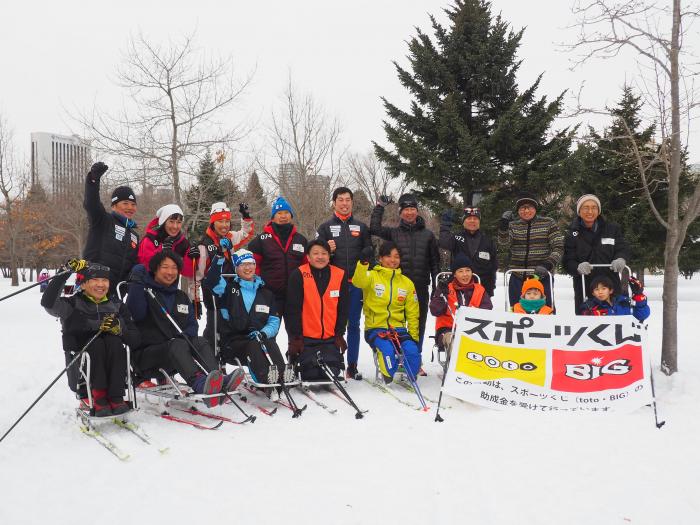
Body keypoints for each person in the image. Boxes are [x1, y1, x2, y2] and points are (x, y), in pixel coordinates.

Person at [126, 251, 242, 407]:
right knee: (177, 344)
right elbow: (135, 313)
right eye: (165, 267)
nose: (170, 272)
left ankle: (216, 379)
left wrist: (183, 336)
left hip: (176, 355)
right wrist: (137, 283)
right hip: (148, 357)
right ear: (155, 269)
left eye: (174, 268)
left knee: (199, 341)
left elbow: (192, 325)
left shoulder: (181, 296)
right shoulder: (146, 292)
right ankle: (199, 383)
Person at [41, 260, 140, 417]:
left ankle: (116, 397)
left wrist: (119, 329)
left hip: (114, 362)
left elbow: (135, 339)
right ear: (84, 284)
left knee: (114, 341)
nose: (100, 284)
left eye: (105, 280)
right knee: (96, 344)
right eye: (94, 280)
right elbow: (48, 303)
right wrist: (65, 272)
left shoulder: (117, 306)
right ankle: (99, 396)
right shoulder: (73, 304)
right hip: (82, 367)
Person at [370, 193, 439, 364]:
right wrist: (380, 206)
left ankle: (415, 359)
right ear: (400, 212)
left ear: (417, 211)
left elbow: (435, 263)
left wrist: (436, 289)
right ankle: (396, 356)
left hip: (420, 287)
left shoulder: (428, 235)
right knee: (397, 325)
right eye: (406, 209)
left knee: (418, 324)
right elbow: (374, 228)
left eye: (412, 209)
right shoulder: (394, 233)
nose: (409, 212)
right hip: (397, 288)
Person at [204, 248, 287, 384]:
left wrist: (264, 333)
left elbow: (274, 320)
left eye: (251, 264)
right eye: (243, 265)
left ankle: (283, 376)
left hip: (260, 338)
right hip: (234, 343)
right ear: (236, 268)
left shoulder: (266, 293)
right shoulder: (227, 289)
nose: (248, 268)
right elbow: (211, 281)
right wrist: (219, 257)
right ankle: (265, 379)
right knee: (254, 345)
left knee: (269, 343)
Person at [315, 187, 371, 380]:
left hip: (355, 284)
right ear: (334, 202)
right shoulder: (325, 227)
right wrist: (326, 250)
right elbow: (316, 257)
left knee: (353, 324)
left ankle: (352, 365)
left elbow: (369, 252)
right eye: (341, 200)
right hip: (333, 284)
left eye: (348, 200)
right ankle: (333, 362)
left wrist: (368, 255)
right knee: (332, 324)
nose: (344, 203)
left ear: (352, 203)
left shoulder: (362, 227)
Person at [352, 241, 420, 384]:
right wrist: (363, 263)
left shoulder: (407, 283)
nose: (392, 260)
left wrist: (413, 337)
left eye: (396, 256)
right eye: (388, 256)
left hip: (399, 329)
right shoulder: (371, 276)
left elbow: (413, 313)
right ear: (381, 258)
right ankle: (387, 376)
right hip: (376, 328)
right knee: (387, 350)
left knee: (413, 351)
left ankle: (410, 376)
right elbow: (358, 282)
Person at [286, 239, 349, 381]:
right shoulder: (298, 274)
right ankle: (294, 359)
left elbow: (343, 308)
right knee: (311, 374)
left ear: (329, 256)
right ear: (308, 257)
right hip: (306, 339)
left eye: (324, 253)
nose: (320, 257)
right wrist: (296, 337)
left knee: (330, 372)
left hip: (329, 339)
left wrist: (339, 334)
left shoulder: (340, 274)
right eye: (315, 253)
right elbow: (292, 310)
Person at [196, 201, 255, 346]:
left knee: (230, 329)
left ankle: (227, 357)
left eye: (227, 221)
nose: (224, 225)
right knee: (213, 328)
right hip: (212, 292)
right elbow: (198, 275)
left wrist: (246, 217)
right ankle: (210, 360)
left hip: (230, 291)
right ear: (212, 223)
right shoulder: (204, 244)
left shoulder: (230, 237)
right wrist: (195, 298)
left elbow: (246, 233)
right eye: (220, 221)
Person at [247, 197, 308, 332]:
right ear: (273, 217)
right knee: (268, 332)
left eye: (286, 213)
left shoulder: (301, 240)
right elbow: (252, 267)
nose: (283, 216)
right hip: (270, 295)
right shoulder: (261, 240)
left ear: (291, 216)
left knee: (297, 334)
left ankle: (294, 354)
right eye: (279, 213)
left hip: (295, 295)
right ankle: (267, 353)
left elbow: (307, 267)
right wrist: (258, 287)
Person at [563, 194, 631, 312]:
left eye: (594, 207)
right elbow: (568, 260)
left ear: (598, 210)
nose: (590, 211)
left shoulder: (611, 229)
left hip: (610, 284)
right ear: (579, 211)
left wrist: (621, 259)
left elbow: (622, 248)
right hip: (585, 286)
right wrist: (578, 267)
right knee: (587, 323)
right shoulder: (572, 234)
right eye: (586, 207)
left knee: (614, 319)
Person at [82, 161, 139, 295]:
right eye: (125, 203)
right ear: (113, 206)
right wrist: (93, 180)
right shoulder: (103, 220)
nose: (130, 207)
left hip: (115, 296)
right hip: (93, 289)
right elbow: (91, 203)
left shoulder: (135, 236)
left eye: (133, 204)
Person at [498, 193, 563, 309]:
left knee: (545, 310)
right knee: (517, 309)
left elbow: (558, 246)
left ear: (535, 209)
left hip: (541, 275)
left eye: (530, 207)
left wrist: (548, 264)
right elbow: (504, 245)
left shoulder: (548, 223)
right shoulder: (513, 225)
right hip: (518, 275)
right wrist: (503, 228)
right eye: (522, 208)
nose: (526, 210)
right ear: (518, 210)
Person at [430, 253, 493, 354]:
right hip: (448, 330)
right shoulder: (446, 288)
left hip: (473, 330)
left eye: (468, 270)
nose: (465, 274)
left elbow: (487, 311)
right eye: (460, 271)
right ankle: (457, 366)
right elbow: (435, 311)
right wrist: (441, 295)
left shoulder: (479, 290)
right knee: (455, 341)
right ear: (454, 274)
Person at [439, 206, 498, 297]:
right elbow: (444, 243)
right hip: (459, 288)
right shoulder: (457, 237)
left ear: (479, 221)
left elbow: (493, 265)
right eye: (469, 218)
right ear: (463, 222)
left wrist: (491, 287)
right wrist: (445, 226)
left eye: (475, 218)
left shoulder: (487, 240)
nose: (472, 221)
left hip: (482, 287)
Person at [137, 204, 201, 278]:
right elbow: (146, 266)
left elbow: (188, 272)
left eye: (179, 222)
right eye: (171, 221)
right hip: (147, 284)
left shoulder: (182, 242)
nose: (175, 226)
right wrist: (162, 252)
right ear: (163, 222)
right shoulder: (151, 239)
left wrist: (193, 258)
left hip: (169, 286)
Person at [579, 274, 650, 322]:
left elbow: (642, 315)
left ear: (610, 290)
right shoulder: (590, 307)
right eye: (596, 289)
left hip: (622, 341)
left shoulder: (622, 304)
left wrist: (639, 295)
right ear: (593, 293)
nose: (600, 292)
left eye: (603, 288)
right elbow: (584, 324)